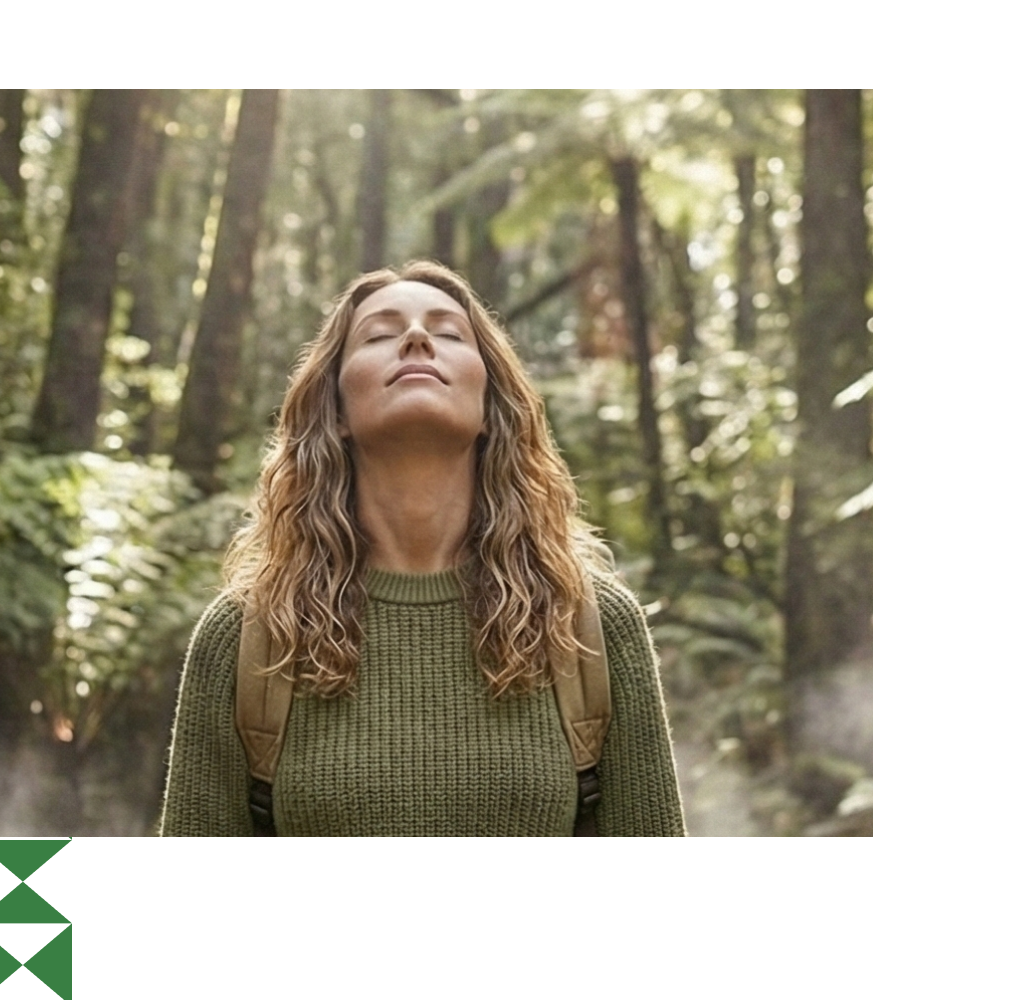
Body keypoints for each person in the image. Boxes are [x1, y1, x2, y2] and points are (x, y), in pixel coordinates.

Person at [159, 260, 684, 836]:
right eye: (380, 335)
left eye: (450, 333)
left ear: (491, 408)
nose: (416, 338)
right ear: (333, 411)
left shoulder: (592, 626)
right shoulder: (248, 637)